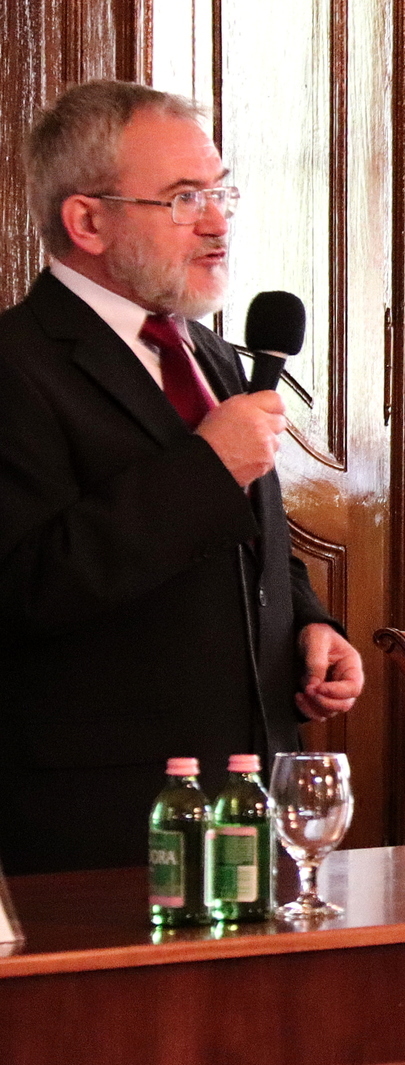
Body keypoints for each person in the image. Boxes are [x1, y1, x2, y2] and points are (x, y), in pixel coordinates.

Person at [0, 81, 362, 876]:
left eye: (221, 191)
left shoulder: (212, 355)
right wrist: (206, 468)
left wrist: (308, 626)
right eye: (183, 198)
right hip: (101, 827)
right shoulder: (16, 365)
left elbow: (245, 540)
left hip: (250, 802)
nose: (217, 221)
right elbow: (23, 585)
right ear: (87, 221)